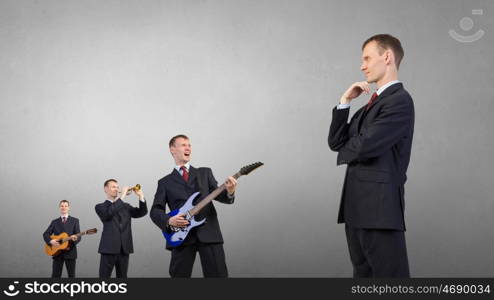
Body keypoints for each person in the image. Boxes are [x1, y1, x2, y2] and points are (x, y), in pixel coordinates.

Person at [328, 34, 414, 277]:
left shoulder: (399, 101)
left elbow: (365, 146)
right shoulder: (370, 104)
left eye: (367, 58)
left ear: (387, 57)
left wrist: (352, 146)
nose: (362, 65)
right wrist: (345, 102)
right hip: (356, 211)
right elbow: (336, 142)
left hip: (380, 212)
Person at [150, 134, 237, 277]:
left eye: (189, 145)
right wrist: (168, 220)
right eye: (183, 145)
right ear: (172, 149)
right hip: (180, 236)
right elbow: (155, 211)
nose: (188, 148)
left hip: (209, 233)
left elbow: (222, 197)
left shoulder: (204, 172)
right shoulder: (164, 182)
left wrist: (230, 191)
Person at [95, 179, 148, 278]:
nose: (116, 189)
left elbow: (142, 212)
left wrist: (141, 196)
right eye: (113, 187)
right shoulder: (100, 206)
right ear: (105, 189)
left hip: (124, 249)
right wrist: (122, 196)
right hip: (108, 248)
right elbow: (108, 214)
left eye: (117, 187)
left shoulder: (126, 206)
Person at [43, 200, 81, 278]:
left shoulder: (75, 221)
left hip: (70, 252)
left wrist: (75, 240)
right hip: (57, 252)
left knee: (71, 276)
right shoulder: (54, 222)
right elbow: (46, 234)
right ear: (59, 208)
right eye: (62, 206)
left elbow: (79, 236)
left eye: (65, 206)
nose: (64, 207)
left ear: (68, 208)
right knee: (55, 276)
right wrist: (50, 241)